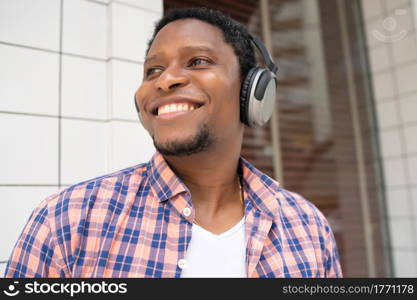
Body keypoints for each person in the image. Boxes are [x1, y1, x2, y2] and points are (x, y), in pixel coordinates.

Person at [5, 7, 342, 278]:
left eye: (198, 61)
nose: (165, 80)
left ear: (252, 92)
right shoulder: (67, 219)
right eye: (152, 70)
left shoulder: (307, 225)